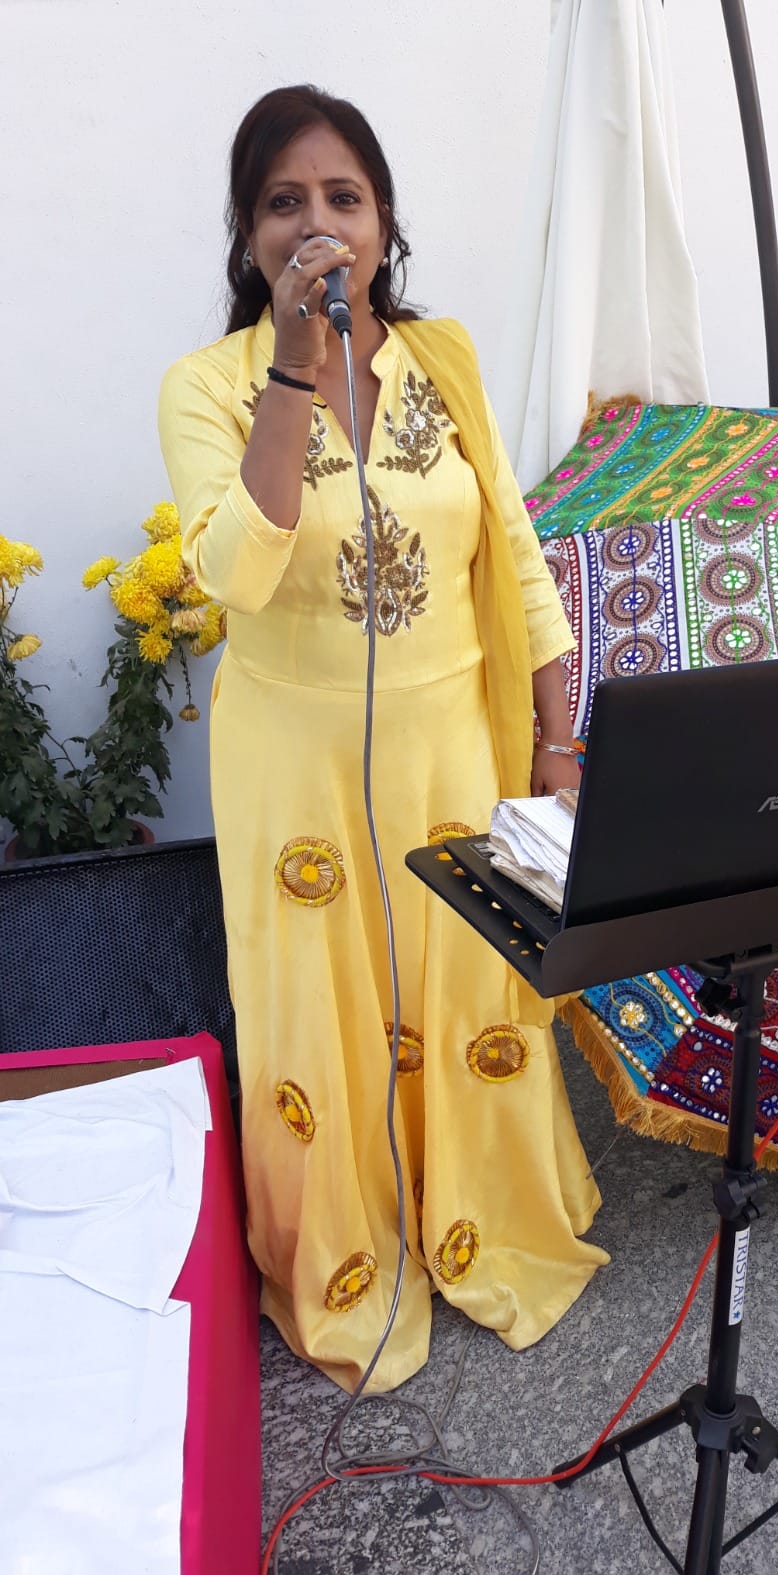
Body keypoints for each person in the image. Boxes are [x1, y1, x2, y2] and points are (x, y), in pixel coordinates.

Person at [158, 84, 607, 1393]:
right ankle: (348, 1268)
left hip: (452, 747)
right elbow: (232, 574)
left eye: (342, 196)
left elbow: (515, 557)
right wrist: (296, 369)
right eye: (285, 201)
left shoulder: (445, 361)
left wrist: (558, 743)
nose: (318, 223)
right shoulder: (209, 388)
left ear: (386, 219)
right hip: (292, 772)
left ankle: (488, 1231)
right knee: (321, 1021)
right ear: (247, 236)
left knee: (470, 998)